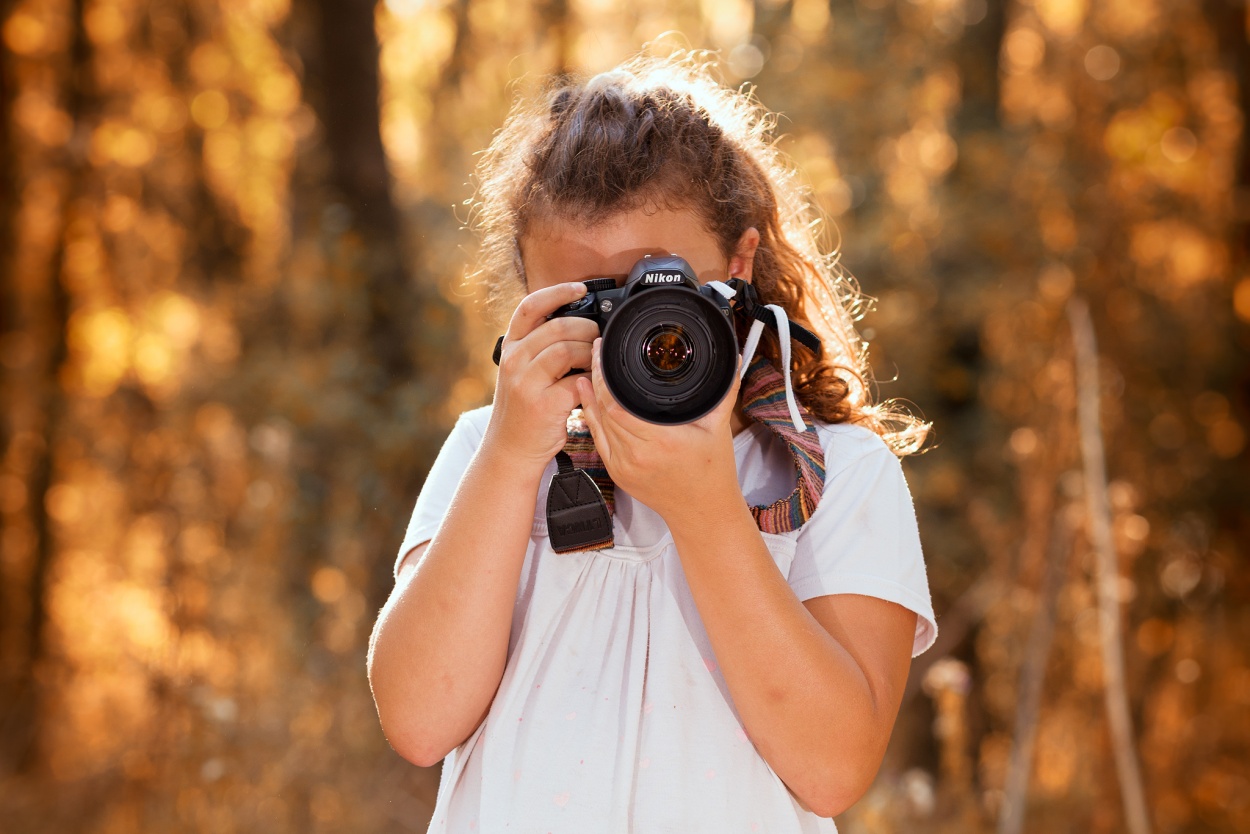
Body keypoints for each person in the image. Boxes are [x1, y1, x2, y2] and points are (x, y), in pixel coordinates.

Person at [368, 51, 938, 833]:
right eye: (591, 303)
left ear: (737, 267)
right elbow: (418, 721)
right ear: (528, 294)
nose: (629, 334)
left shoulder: (836, 472)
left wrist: (705, 506)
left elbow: (834, 769)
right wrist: (508, 461)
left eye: (653, 292)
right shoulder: (488, 453)